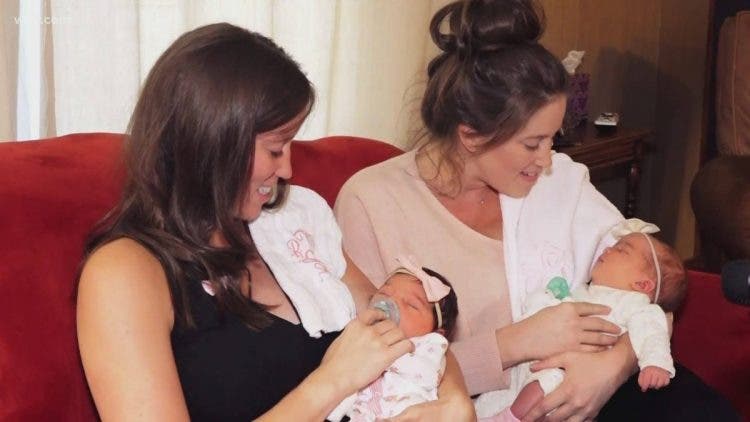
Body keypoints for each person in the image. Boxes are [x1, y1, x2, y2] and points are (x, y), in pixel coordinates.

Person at [334, 0, 739, 420]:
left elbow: (656, 293)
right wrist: (515, 343)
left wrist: (610, 370)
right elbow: (368, 376)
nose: (547, 160)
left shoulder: (559, 183)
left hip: (602, 382)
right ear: (471, 136)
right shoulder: (373, 203)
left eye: (553, 139)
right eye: (532, 144)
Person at [76, 23, 474, 421]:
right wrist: (333, 381)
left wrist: (455, 403)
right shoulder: (125, 273)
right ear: (213, 143)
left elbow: (415, 329)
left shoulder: (289, 226)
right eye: (274, 149)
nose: (287, 170)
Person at [477, 220, 687, 420]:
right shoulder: (585, 290)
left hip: (573, 371)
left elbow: (653, 333)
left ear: (642, 285)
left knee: (543, 387)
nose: (608, 249)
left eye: (622, 250)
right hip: (535, 360)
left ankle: (510, 418)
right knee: (498, 394)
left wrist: (655, 364)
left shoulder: (636, 305)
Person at [329, 256, 460, 421]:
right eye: (384, 293)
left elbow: (427, 374)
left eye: (411, 305)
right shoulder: (358, 331)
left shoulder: (429, 347)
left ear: (436, 333)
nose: (391, 302)